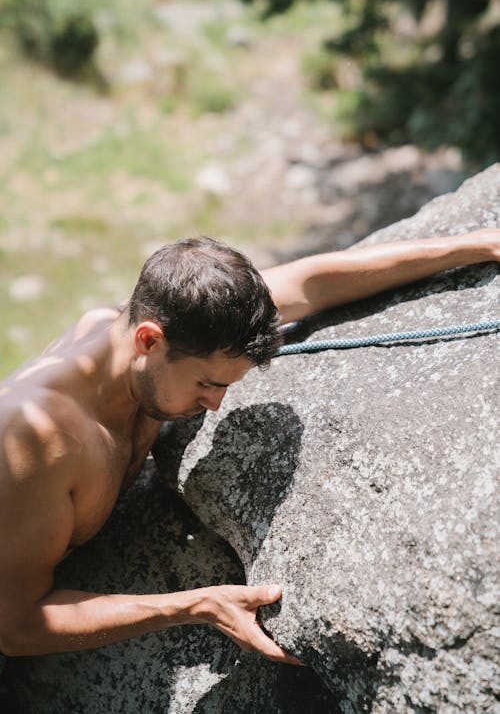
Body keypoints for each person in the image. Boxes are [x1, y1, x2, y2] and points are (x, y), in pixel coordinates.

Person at [0, 229, 499, 668]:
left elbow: (312, 283)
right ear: (149, 341)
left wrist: (476, 244)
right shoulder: (39, 440)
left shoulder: (163, 329)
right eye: (206, 383)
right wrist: (192, 605)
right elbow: (15, 626)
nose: (215, 405)